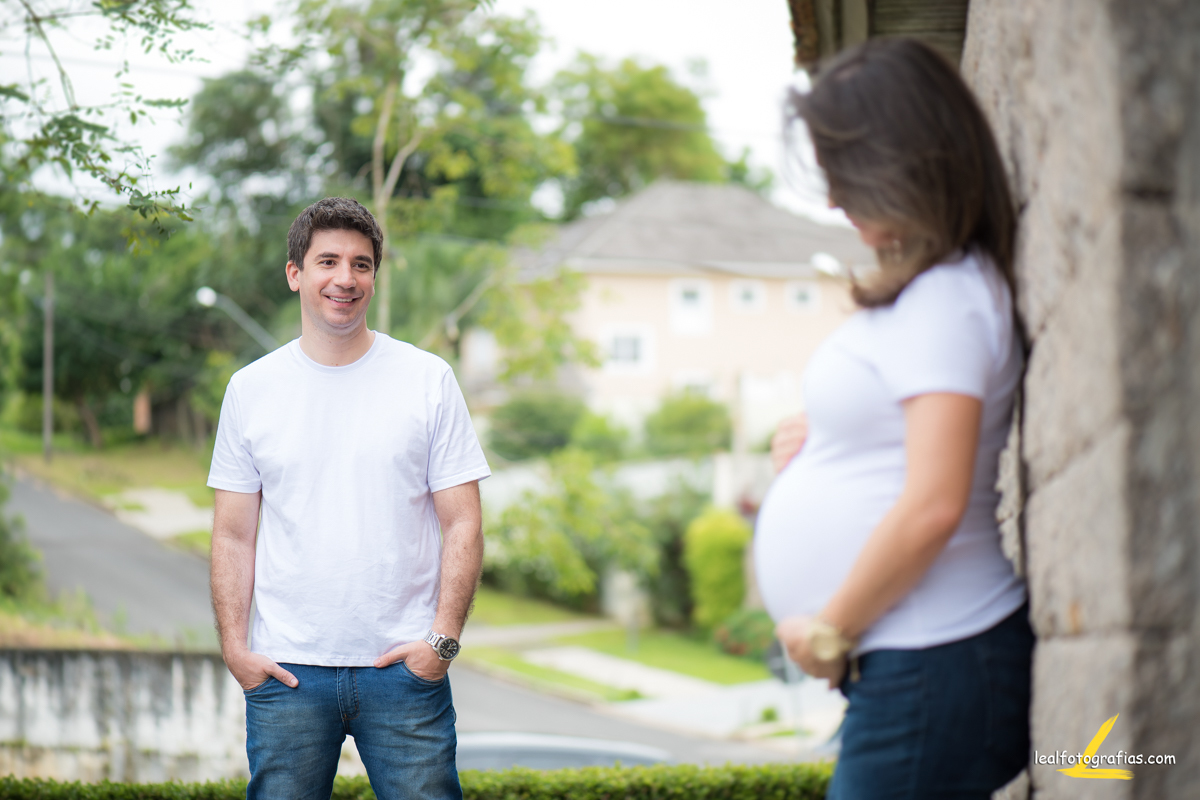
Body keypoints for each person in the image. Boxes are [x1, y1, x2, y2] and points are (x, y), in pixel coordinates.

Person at [754, 38, 1033, 799]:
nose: (834, 200)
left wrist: (830, 630)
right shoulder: (934, 291)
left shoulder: (947, 296)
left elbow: (935, 503)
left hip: (934, 660)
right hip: (917, 662)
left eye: (844, 172)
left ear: (902, 160)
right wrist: (820, 440)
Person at [208, 197, 490, 800]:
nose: (346, 278)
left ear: (374, 278)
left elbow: (464, 522)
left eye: (361, 264)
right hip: (286, 673)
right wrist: (236, 649)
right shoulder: (251, 389)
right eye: (328, 261)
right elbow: (233, 533)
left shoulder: (427, 379)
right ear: (295, 273)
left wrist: (441, 643)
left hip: (404, 672)